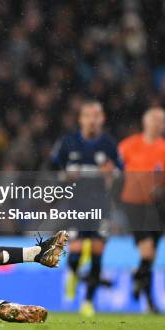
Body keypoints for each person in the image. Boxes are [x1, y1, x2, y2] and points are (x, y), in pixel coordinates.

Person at [51, 101, 121, 317]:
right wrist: (65, 177)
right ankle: (72, 273)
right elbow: (55, 171)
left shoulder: (109, 145)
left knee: (98, 252)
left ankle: (89, 302)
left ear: (103, 119)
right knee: (76, 251)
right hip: (77, 206)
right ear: (81, 119)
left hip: (101, 206)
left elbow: (119, 175)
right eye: (88, 115)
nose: (92, 119)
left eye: (97, 115)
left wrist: (112, 175)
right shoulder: (68, 143)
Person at [118, 107, 165, 313]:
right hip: (133, 204)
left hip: (156, 207)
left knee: (150, 256)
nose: (157, 124)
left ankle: (148, 299)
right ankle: (138, 278)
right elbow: (112, 170)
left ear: (164, 125)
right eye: (154, 119)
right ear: (145, 122)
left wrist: (163, 189)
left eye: (161, 121)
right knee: (147, 250)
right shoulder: (128, 145)